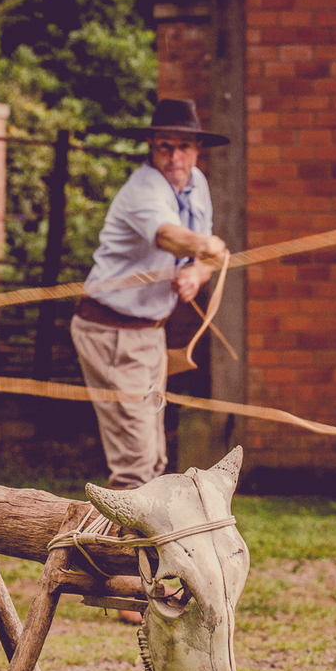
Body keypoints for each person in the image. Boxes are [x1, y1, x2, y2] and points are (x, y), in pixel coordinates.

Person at [72, 98, 229, 492]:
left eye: (184, 147)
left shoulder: (197, 186)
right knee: (136, 464)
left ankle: (137, 550)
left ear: (197, 150)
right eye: (165, 146)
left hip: (148, 334)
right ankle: (116, 552)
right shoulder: (143, 190)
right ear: (152, 148)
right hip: (110, 331)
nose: (175, 156)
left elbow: (203, 256)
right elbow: (169, 236)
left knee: (154, 457)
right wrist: (209, 247)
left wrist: (197, 271)